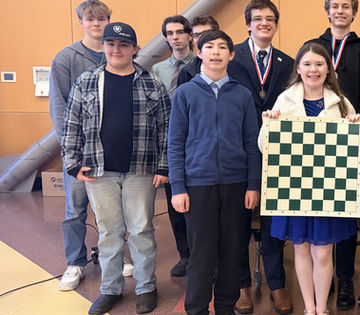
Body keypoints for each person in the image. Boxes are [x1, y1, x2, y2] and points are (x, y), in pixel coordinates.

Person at [62, 22, 169, 315]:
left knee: (141, 230)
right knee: (109, 232)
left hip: (140, 170)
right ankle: (110, 290)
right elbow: (71, 125)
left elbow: (166, 128)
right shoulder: (85, 82)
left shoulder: (152, 83)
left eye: (123, 45)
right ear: (103, 46)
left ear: (135, 49)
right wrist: (72, 163)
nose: (116, 49)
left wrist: (164, 165)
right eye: (111, 44)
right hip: (99, 171)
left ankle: (147, 286)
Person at [259, 42, 360, 315]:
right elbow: (264, 146)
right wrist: (269, 124)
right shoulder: (284, 100)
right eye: (307, 64)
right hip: (294, 189)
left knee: (323, 254)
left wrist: (356, 128)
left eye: (319, 64)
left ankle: (323, 310)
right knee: (301, 252)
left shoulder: (341, 103)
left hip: (328, 191)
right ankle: (309, 308)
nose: (313, 69)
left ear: (328, 68)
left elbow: (356, 149)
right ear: (298, 68)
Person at [168, 29, 260, 315]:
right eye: (210, 47)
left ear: (232, 55)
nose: (216, 52)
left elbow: (251, 142)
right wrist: (178, 187)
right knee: (202, 254)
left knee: (233, 251)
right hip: (198, 185)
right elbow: (175, 143)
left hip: (236, 184)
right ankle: (196, 309)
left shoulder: (242, 95)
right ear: (199, 52)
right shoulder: (185, 93)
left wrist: (253, 184)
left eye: (223, 47)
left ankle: (225, 306)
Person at [48, 0, 133, 291]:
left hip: (112, 152)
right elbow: (59, 108)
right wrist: (70, 152)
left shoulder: (119, 53)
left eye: (101, 19)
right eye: (90, 19)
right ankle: (75, 263)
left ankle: (116, 257)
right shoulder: (66, 58)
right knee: (76, 210)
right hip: (81, 153)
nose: (96, 24)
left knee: (113, 211)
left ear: (108, 21)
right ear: (81, 21)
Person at [226, 1, 295, 313]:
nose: (264, 23)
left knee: (273, 224)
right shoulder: (231, 57)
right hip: (238, 151)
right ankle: (242, 285)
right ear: (248, 25)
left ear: (276, 25)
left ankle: (277, 284)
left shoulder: (288, 62)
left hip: (276, 154)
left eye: (270, 19)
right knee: (238, 223)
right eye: (258, 19)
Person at [306, 0, 360, 309]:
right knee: (317, 214)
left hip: (346, 141)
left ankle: (344, 277)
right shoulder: (314, 46)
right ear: (327, 11)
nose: (340, 11)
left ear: (353, 13)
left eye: (346, 6)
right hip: (312, 146)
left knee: (343, 211)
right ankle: (323, 281)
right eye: (335, 5)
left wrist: (355, 133)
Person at [151, 14, 195, 278]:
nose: (175, 37)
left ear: (190, 35)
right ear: (166, 38)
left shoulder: (202, 64)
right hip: (171, 143)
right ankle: (185, 255)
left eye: (180, 31)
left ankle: (203, 254)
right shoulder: (159, 70)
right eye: (170, 33)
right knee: (175, 203)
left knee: (199, 204)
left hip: (198, 141)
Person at [177, 15, 220, 85]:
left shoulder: (233, 66)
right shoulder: (186, 73)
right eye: (196, 35)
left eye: (205, 33)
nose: (200, 38)